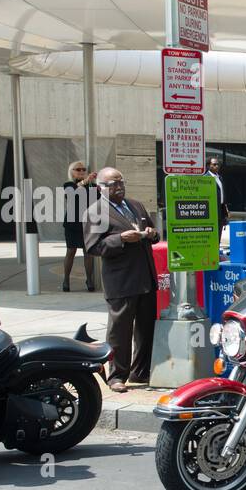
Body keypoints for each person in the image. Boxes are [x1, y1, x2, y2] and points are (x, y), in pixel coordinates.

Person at [85, 168, 158, 394]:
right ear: (101, 188)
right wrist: (120, 239)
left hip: (145, 276)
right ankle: (116, 375)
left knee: (146, 329)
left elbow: (154, 235)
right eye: (113, 184)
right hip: (121, 280)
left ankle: (141, 370)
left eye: (121, 182)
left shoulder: (136, 205)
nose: (119, 187)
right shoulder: (96, 212)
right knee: (120, 331)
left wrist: (152, 233)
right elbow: (93, 246)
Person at [60, 160, 97, 292]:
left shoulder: (91, 186)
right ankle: (66, 279)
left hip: (88, 223)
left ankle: (90, 280)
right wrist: (87, 180)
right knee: (71, 251)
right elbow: (71, 193)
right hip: (72, 224)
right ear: (72, 172)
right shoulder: (68, 185)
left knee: (88, 253)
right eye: (78, 169)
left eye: (83, 169)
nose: (81, 171)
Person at [205, 157, 230, 246]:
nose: (217, 166)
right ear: (208, 166)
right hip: (211, 210)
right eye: (214, 164)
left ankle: (217, 252)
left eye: (218, 164)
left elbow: (223, 194)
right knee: (212, 233)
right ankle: (212, 253)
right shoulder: (205, 178)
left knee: (219, 232)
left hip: (221, 209)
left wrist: (226, 209)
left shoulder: (220, 177)